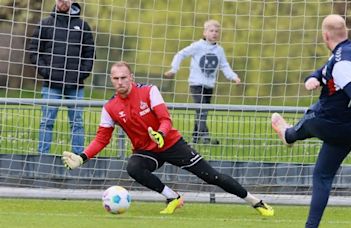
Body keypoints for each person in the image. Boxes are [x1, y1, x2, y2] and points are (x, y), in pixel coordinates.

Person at [62, 61, 273, 216]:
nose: (120, 82)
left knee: (212, 177)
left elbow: (165, 119)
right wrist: (82, 157)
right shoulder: (109, 107)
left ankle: (255, 202)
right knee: (133, 167)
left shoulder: (149, 91)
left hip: (171, 143)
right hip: (146, 151)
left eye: (124, 77)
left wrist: (160, 134)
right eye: (116, 79)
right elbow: (102, 138)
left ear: (131, 77)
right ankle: (173, 197)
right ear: (111, 80)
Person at [270, 14, 351, 228]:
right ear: (345, 32)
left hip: (330, 124)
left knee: (312, 113)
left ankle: (288, 134)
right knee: (322, 176)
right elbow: (328, 68)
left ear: (325, 35)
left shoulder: (342, 63)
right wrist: (315, 76)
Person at [28, 0, 95, 154]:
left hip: (75, 84)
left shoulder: (82, 26)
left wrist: (82, 73)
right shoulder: (45, 24)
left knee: (77, 122)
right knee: (47, 122)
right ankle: (42, 156)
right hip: (51, 84)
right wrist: (47, 72)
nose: (63, 2)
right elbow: (33, 51)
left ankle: (78, 157)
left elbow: (90, 53)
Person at [164, 19, 241, 144]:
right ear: (205, 32)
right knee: (202, 109)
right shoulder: (197, 46)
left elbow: (224, 65)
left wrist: (233, 77)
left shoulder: (219, 50)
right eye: (211, 31)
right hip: (196, 84)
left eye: (217, 31)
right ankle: (205, 136)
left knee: (202, 110)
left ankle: (195, 137)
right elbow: (180, 54)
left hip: (209, 85)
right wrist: (174, 69)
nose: (214, 33)